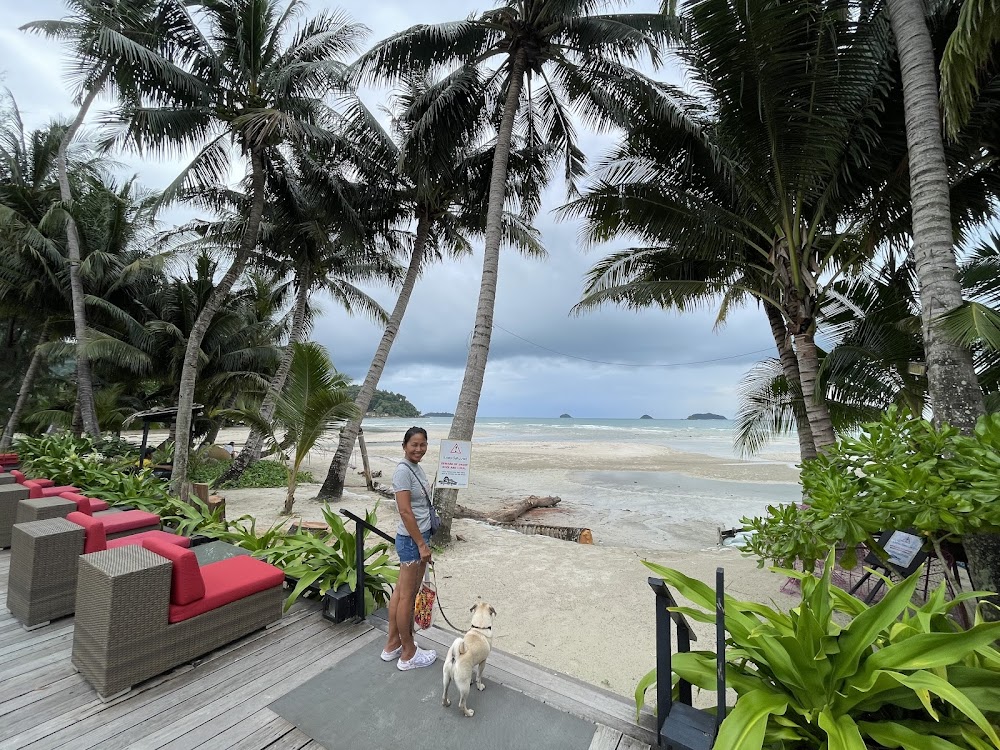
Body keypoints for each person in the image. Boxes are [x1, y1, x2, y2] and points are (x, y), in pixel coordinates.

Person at [381, 426, 437, 670]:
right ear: (404, 446)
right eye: (414, 444)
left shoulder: (415, 468)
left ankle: (392, 644)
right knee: (408, 597)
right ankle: (409, 653)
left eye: (422, 444)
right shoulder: (402, 472)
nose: (418, 449)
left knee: (400, 593)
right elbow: (405, 511)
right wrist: (422, 544)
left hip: (414, 539)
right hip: (413, 541)